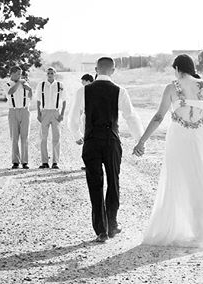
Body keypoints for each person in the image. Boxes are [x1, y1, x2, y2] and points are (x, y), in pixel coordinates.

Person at [133, 54, 203, 248]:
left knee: (177, 179)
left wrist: (142, 141)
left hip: (179, 137)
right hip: (202, 137)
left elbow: (158, 117)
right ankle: (201, 231)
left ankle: (174, 227)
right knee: (202, 179)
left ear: (178, 69)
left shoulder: (172, 87)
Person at [69, 57, 144, 243]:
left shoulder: (83, 90)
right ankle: (112, 224)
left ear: (96, 69)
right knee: (113, 181)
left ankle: (101, 230)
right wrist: (140, 141)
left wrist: (77, 135)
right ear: (113, 70)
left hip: (92, 141)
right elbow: (131, 117)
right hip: (111, 140)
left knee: (95, 184)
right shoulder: (120, 91)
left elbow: (72, 118)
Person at [36, 67, 67, 169]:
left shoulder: (60, 85)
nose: (50, 75)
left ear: (55, 74)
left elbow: (64, 100)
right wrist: (38, 113)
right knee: (43, 138)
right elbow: (38, 100)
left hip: (55, 112)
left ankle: (55, 162)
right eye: (48, 73)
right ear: (46, 74)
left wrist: (62, 114)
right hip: (44, 112)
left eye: (52, 73)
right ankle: (44, 162)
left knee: (56, 137)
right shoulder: (41, 85)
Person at [4, 66, 33, 169]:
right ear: (11, 73)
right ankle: (15, 162)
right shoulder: (7, 84)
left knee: (25, 137)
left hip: (25, 111)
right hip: (13, 111)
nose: (19, 76)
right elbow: (10, 92)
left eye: (20, 74)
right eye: (17, 74)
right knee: (14, 137)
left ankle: (25, 162)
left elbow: (30, 96)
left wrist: (29, 89)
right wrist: (19, 83)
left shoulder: (25, 84)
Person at [78, 74, 94, 170]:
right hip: (86, 116)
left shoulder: (89, 91)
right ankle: (88, 163)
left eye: (83, 81)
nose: (82, 83)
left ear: (87, 81)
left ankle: (90, 163)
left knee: (89, 140)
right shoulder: (84, 91)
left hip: (90, 117)